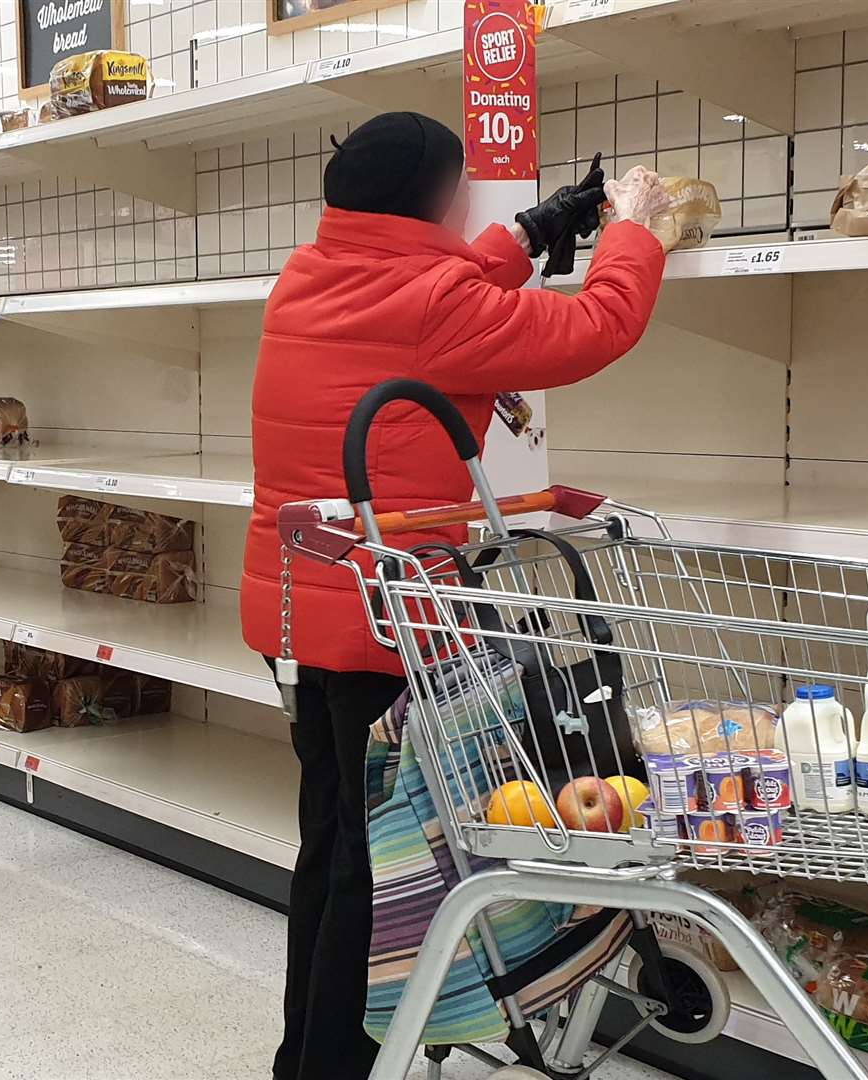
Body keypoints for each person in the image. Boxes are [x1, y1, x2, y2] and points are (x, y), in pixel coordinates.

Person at [239, 112, 669, 1080]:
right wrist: (636, 229)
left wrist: (530, 231)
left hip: (298, 615)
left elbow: (429, 291)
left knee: (331, 841)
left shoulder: (309, 276)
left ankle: (301, 1055)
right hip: (386, 622)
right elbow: (598, 324)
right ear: (438, 196)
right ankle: (335, 1070)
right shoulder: (434, 305)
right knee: (375, 861)